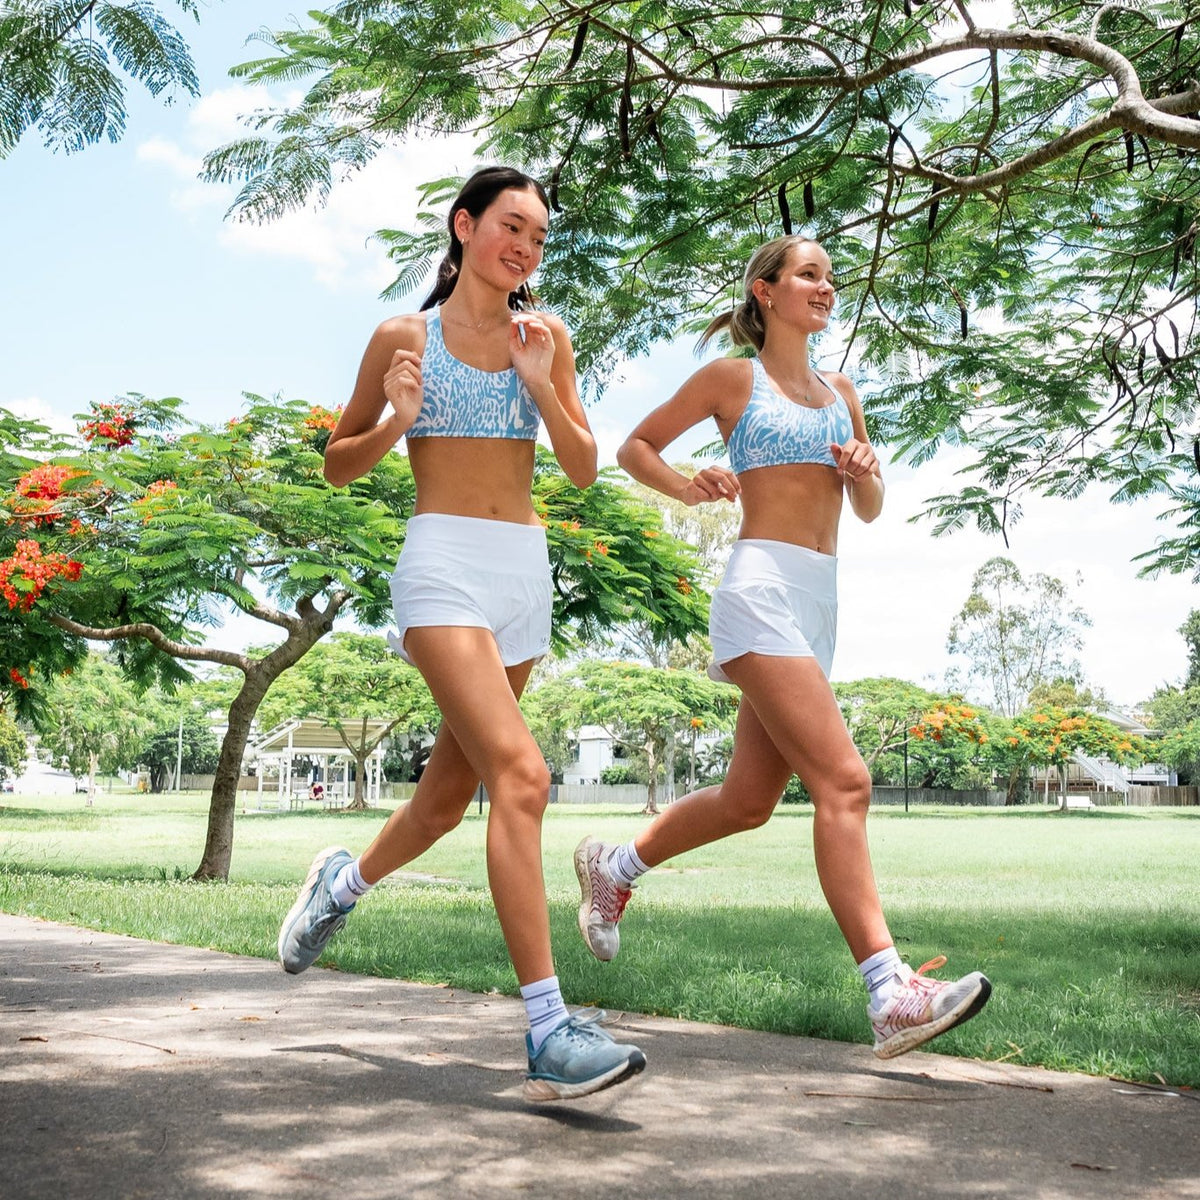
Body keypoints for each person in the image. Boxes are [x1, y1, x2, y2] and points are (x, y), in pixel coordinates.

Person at [277, 166, 645, 1101]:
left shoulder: (544, 336)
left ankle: (341, 885)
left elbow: (584, 465)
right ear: (464, 226)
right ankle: (548, 1031)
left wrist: (544, 386)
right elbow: (336, 467)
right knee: (524, 776)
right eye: (510, 226)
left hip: (523, 573)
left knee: (445, 801)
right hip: (440, 564)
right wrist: (398, 419)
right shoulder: (405, 336)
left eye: (537, 236)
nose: (524, 246)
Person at [575, 235, 991, 1059]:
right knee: (845, 780)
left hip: (819, 601)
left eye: (830, 278)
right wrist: (686, 484)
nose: (825, 288)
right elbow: (635, 447)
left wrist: (866, 468)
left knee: (748, 803)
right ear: (765, 292)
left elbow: (868, 508)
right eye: (809, 275)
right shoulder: (736, 378)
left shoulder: (841, 391)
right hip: (759, 587)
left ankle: (614, 867)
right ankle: (889, 991)